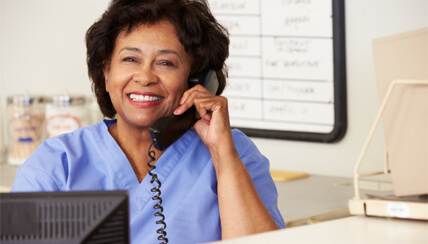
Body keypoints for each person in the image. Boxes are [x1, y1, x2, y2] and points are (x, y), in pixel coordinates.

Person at [11, 0, 286, 243]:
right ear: (107, 73)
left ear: (197, 80)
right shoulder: (56, 165)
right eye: (130, 59)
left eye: (166, 63)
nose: (145, 77)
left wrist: (223, 155)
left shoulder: (235, 153)